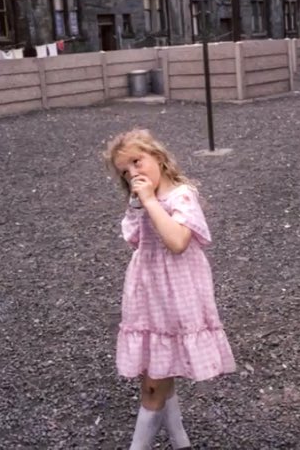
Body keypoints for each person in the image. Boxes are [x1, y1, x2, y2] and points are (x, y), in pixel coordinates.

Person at [103, 129, 236, 450]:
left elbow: (177, 242)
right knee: (157, 367)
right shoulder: (140, 201)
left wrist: (150, 201)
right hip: (147, 291)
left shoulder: (182, 196)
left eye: (137, 162)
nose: (133, 173)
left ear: (158, 158)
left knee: (152, 384)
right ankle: (180, 441)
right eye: (125, 170)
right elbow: (134, 239)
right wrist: (139, 204)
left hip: (177, 291)